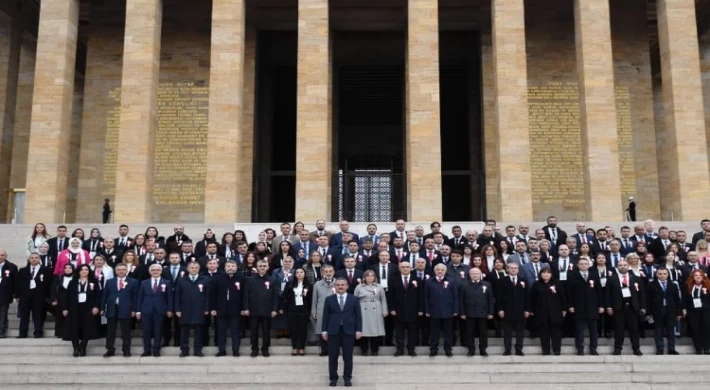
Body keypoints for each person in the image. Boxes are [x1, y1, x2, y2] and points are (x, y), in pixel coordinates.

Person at [322, 278, 362, 387]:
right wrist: (324, 330)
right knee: (333, 356)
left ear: (347, 286)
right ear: (335, 286)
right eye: (338, 285)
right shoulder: (329, 299)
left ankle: (347, 378)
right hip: (333, 331)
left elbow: (358, 316)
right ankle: (333, 378)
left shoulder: (354, 299)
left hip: (349, 331)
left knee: (348, 356)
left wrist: (358, 330)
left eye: (342, 285)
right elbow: (325, 316)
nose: (340, 287)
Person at [606, 260, 646, 356]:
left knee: (634, 329)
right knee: (619, 329)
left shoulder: (636, 278)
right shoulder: (612, 279)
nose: (623, 267)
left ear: (628, 266)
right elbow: (607, 294)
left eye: (625, 265)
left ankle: (636, 348)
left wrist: (643, 307)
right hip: (618, 307)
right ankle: (618, 348)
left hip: (633, 307)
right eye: (620, 265)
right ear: (617, 267)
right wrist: (608, 307)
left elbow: (642, 294)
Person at [60, 264, 100, 357]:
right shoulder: (72, 282)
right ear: (78, 271)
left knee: (87, 328)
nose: (84, 271)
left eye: (86, 269)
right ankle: (76, 348)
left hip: (88, 308)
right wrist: (65, 308)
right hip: (74, 308)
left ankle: (83, 347)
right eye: (82, 270)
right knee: (74, 328)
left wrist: (96, 306)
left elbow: (97, 296)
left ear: (89, 271)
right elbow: (67, 296)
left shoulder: (94, 282)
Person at [567, 257, 604, 355]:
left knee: (593, 330)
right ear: (578, 265)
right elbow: (569, 292)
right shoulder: (572, 276)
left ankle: (593, 348)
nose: (584, 265)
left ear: (589, 265)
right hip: (578, 306)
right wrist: (570, 305)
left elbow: (599, 291)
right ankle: (580, 348)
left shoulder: (594, 275)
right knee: (579, 330)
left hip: (593, 306)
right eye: (581, 264)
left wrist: (601, 305)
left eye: (585, 264)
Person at [136, 264, 174, 357]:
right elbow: (139, 298)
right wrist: (138, 311)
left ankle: (156, 349)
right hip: (146, 310)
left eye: (157, 270)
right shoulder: (144, 283)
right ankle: (147, 350)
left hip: (160, 310)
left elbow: (170, 297)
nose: (155, 271)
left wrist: (170, 309)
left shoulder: (167, 282)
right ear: (150, 272)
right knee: (146, 331)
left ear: (161, 271)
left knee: (158, 331)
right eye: (153, 270)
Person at [243, 260, 279, 357]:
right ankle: (254, 349)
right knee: (253, 331)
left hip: (267, 310)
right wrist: (245, 308)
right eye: (260, 266)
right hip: (253, 310)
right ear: (257, 267)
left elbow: (276, 296)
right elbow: (245, 295)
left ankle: (265, 349)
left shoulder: (273, 280)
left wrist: (274, 309)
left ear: (267, 268)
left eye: (264, 266)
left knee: (266, 331)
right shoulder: (250, 280)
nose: (262, 267)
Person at [101, 263, 138, 357]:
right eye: (119, 270)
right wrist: (102, 307)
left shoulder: (133, 281)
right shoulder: (110, 281)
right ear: (115, 271)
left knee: (126, 331)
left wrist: (134, 310)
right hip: (112, 308)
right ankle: (110, 349)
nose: (121, 271)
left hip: (126, 309)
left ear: (126, 271)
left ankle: (126, 350)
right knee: (110, 331)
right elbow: (105, 295)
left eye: (123, 269)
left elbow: (135, 297)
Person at [210, 260, 245, 357]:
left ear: (236, 268)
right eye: (228, 266)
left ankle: (235, 350)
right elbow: (212, 295)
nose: (230, 268)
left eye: (232, 266)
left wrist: (243, 308)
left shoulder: (241, 279)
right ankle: (221, 350)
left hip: (236, 310)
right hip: (220, 309)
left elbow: (244, 295)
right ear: (224, 268)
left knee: (235, 331)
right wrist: (213, 308)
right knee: (221, 331)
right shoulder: (217, 279)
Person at [175, 261, 210, 357]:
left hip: (199, 308)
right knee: (184, 330)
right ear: (188, 269)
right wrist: (177, 309)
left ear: (199, 269)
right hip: (184, 308)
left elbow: (207, 296)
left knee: (199, 330)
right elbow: (177, 296)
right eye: (192, 268)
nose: (194, 269)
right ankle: (184, 350)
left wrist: (207, 308)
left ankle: (198, 350)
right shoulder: (181, 280)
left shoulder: (205, 279)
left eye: (196, 268)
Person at [528, 268, 566, 355]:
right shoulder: (536, 284)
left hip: (555, 311)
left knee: (556, 332)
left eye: (548, 273)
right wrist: (531, 309)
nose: (546, 274)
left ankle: (557, 350)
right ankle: (546, 350)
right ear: (540, 274)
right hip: (541, 312)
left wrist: (564, 309)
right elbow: (532, 298)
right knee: (544, 332)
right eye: (544, 273)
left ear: (551, 274)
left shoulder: (558, 283)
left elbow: (563, 297)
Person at [424, 263, 459, 357]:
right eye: (438, 270)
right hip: (434, 311)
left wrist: (455, 310)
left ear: (445, 271)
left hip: (449, 311)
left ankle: (448, 349)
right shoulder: (429, 281)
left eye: (442, 270)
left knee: (449, 332)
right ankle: (433, 350)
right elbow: (426, 297)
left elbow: (455, 296)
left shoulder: (451, 281)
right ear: (434, 271)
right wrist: (427, 310)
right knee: (434, 333)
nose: (439, 271)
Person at [389, 261, 422, 357]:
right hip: (398, 310)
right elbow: (390, 296)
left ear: (411, 268)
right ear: (399, 268)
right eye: (403, 267)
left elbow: (420, 295)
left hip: (413, 310)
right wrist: (391, 308)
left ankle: (411, 349)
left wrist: (420, 309)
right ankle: (400, 349)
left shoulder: (417, 279)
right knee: (399, 332)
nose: (405, 268)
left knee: (412, 331)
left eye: (407, 267)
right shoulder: (393, 280)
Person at [16, 253, 53, 338]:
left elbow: (49, 284)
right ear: (29, 259)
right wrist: (17, 296)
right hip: (25, 297)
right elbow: (18, 284)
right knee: (24, 316)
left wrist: (47, 296)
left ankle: (38, 332)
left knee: (38, 315)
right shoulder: (23, 270)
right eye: (32, 258)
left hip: (39, 297)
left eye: (36, 258)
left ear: (39, 259)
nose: (34, 259)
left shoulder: (46, 270)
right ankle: (22, 333)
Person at [459, 267, 494, 356]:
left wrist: (490, 312)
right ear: (469, 275)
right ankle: (471, 349)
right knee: (469, 332)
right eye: (473, 273)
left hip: (483, 313)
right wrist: (462, 312)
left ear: (480, 274)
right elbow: (461, 300)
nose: (475, 275)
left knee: (483, 332)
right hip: (469, 313)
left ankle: (483, 349)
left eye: (477, 273)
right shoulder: (464, 285)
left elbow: (490, 299)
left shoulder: (487, 284)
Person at [497, 262, 529, 356]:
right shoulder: (502, 281)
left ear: (518, 269)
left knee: (520, 332)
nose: (513, 270)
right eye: (511, 268)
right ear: (507, 269)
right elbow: (499, 297)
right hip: (507, 310)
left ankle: (519, 349)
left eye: (515, 268)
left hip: (520, 310)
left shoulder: (523, 281)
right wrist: (500, 309)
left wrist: (527, 309)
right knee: (507, 332)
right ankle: (507, 349)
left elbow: (527, 296)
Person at [646, 268, 681, 355]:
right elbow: (648, 300)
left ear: (667, 275)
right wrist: (649, 313)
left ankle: (671, 348)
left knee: (671, 330)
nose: (662, 275)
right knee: (658, 330)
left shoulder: (673, 285)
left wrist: (679, 312)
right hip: (657, 310)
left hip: (670, 310)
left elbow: (677, 300)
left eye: (664, 273)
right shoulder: (651, 285)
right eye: (660, 273)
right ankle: (660, 348)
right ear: (656, 274)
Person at [353, 269, 388, 356]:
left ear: (375, 277)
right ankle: (364, 350)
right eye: (368, 276)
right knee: (363, 331)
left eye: (372, 276)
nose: (370, 277)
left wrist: (384, 311)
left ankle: (375, 350)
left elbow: (383, 299)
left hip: (376, 309)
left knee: (375, 331)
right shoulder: (359, 287)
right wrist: (354, 312)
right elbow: (354, 300)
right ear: (364, 277)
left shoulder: (379, 286)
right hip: (363, 309)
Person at [280, 268, 312, 356]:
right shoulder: (290, 284)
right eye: (297, 272)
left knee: (302, 329)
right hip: (292, 310)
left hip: (304, 310)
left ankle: (301, 348)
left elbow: (311, 299)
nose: (299, 274)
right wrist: (282, 307)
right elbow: (284, 296)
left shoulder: (309, 285)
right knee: (293, 329)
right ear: (295, 274)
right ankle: (294, 347)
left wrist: (310, 310)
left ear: (304, 274)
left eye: (301, 272)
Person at [312, 264, 336, 355]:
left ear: (333, 272)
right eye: (326, 271)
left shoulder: (338, 282)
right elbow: (314, 299)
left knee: (334, 330)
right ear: (322, 273)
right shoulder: (317, 284)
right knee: (322, 329)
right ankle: (324, 349)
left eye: (330, 271)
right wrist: (314, 311)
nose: (328, 273)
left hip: (335, 310)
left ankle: (333, 349)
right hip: (321, 309)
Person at [685, 269, 710, 354]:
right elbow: (685, 299)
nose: (698, 277)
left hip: (706, 311)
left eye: (700, 275)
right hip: (693, 311)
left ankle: (707, 348)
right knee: (695, 329)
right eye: (696, 275)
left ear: (703, 277)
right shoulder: (688, 286)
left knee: (706, 329)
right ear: (693, 277)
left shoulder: (707, 286)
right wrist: (684, 309)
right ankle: (698, 348)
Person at [50, 263, 74, 338]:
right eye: (66, 268)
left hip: (72, 301)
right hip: (60, 300)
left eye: (70, 268)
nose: (68, 269)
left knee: (71, 318)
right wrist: (53, 299)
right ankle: (59, 333)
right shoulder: (59, 278)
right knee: (60, 318)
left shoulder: (76, 278)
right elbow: (53, 289)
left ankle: (70, 333)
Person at [0, 250, 18, 338]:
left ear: (5, 256)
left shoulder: (12, 267)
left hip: (5, 294)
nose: (0, 257)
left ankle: (2, 331)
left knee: (3, 313)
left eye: (2, 255)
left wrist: (15, 294)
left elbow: (15, 282)